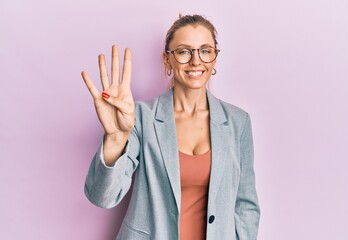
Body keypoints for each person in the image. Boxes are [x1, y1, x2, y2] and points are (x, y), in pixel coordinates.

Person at [81, 14, 260, 240]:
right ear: (167, 60)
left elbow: (246, 205)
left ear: (214, 58)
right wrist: (116, 137)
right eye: (184, 51)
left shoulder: (238, 122)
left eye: (205, 50)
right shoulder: (140, 117)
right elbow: (102, 197)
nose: (196, 61)